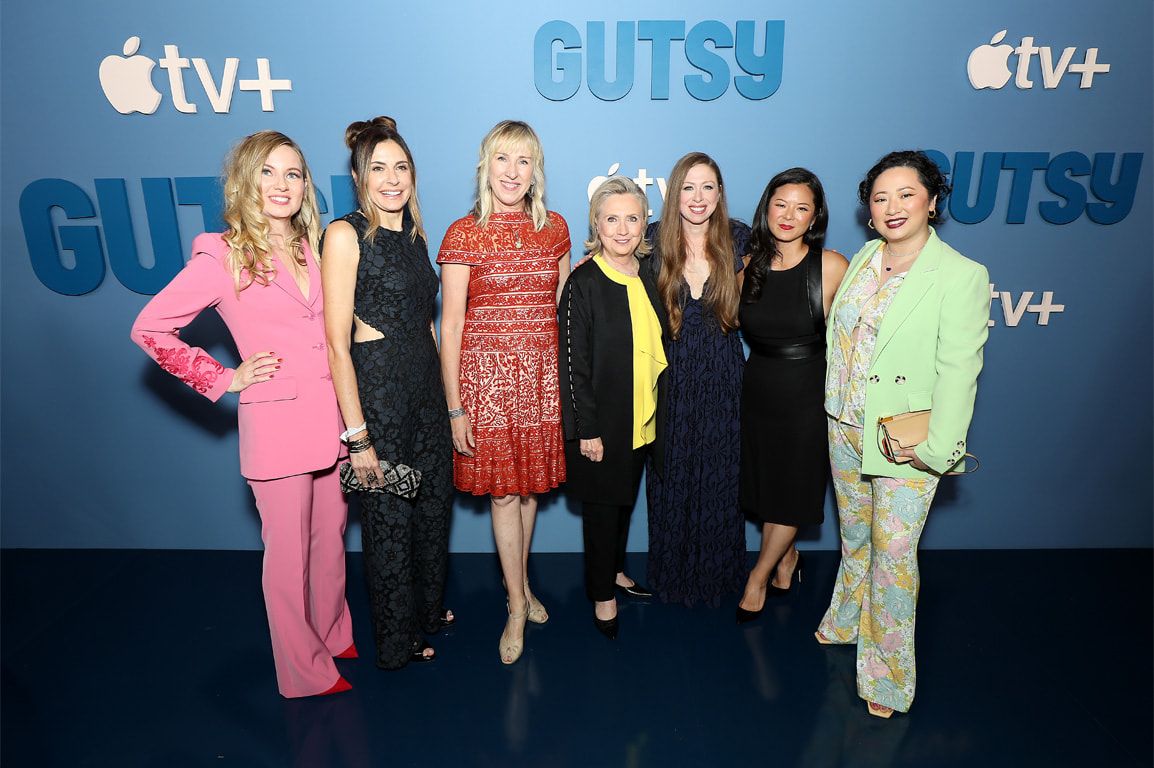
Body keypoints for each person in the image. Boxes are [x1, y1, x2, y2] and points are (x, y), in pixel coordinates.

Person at [130, 131, 353, 698]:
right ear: (246, 182)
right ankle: (301, 673)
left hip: (332, 420)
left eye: (294, 174)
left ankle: (331, 632)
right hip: (276, 426)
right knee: (287, 555)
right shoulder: (222, 255)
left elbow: (328, 328)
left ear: (306, 186)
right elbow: (150, 328)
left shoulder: (316, 245)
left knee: (330, 536)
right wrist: (225, 377)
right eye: (269, 173)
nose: (282, 186)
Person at [816, 150, 990, 718]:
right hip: (844, 425)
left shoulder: (961, 275)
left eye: (906, 194)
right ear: (868, 209)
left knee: (893, 555)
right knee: (857, 537)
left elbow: (962, 370)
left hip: (904, 441)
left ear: (932, 201)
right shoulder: (865, 258)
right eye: (881, 197)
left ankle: (887, 680)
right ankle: (846, 621)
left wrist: (937, 450)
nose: (892, 207)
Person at [321, 116, 453, 669]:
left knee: (430, 508)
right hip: (379, 393)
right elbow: (335, 344)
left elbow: (427, 323)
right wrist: (358, 437)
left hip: (424, 390)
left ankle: (427, 609)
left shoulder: (416, 235)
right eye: (379, 168)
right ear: (359, 176)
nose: (392, 178)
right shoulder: (345, 234)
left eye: (401, 167)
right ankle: (397, 644)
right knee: (389, 519)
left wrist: (446, 404)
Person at [438, 120, 569, 664]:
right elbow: (449, 328)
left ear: (536, 169)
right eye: (502, 160)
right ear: (484, 166)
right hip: (486, 385)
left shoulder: (555, 229)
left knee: (532, 492)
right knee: (504, 495)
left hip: (541, 383)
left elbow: (564, 311)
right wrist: (454, 407)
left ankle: (522, 586)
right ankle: (516, 603)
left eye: (524, 161)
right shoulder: (463, 234)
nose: (513, 172)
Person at [735, 168, 847, 622]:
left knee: (791, 488)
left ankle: (756, 578)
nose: (789, 215)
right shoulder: (748, 267)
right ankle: (787, 558)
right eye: (781, 204)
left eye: (802, 208)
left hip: (807, 391)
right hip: (758, 386)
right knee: (766, 486)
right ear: (767, 207)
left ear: (815, 216)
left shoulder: (832, 266)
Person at [559, 177, 668, 639]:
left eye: (632, 218)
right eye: (611, 219)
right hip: (603, 421)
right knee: (603, 509)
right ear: (596, 225)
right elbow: (572, 363)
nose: (622, 229)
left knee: (623, 502)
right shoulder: (582, 282)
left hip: (642, 417)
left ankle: (617, 571)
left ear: (645, 224)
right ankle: (601, 592)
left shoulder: (648, 274)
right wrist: (587, 428)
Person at [643, 152, 749, 607]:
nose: (698, 197)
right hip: (670, 374)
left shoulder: (739, 239)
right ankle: (672, 577)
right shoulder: (652, 241)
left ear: (720, 193)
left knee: (722, 475)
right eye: (688, 187)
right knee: (671, 473)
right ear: (675, 194)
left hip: (724, 373)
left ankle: (719, 578)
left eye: (708, 187)